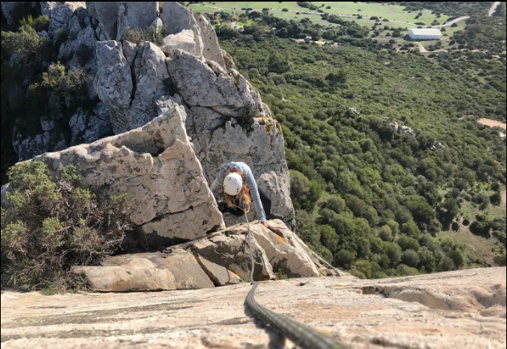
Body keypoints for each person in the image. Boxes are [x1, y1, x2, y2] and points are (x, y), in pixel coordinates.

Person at [210, 162, 279, 228]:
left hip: (240, 186)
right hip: (231, 187)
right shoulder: (222, 176)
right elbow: (212, 188)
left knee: (267, 201)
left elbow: (256, 196)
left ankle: (268, 215)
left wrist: (262, 218)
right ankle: (222, 205)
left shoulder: (246, 172)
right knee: (239, 211)